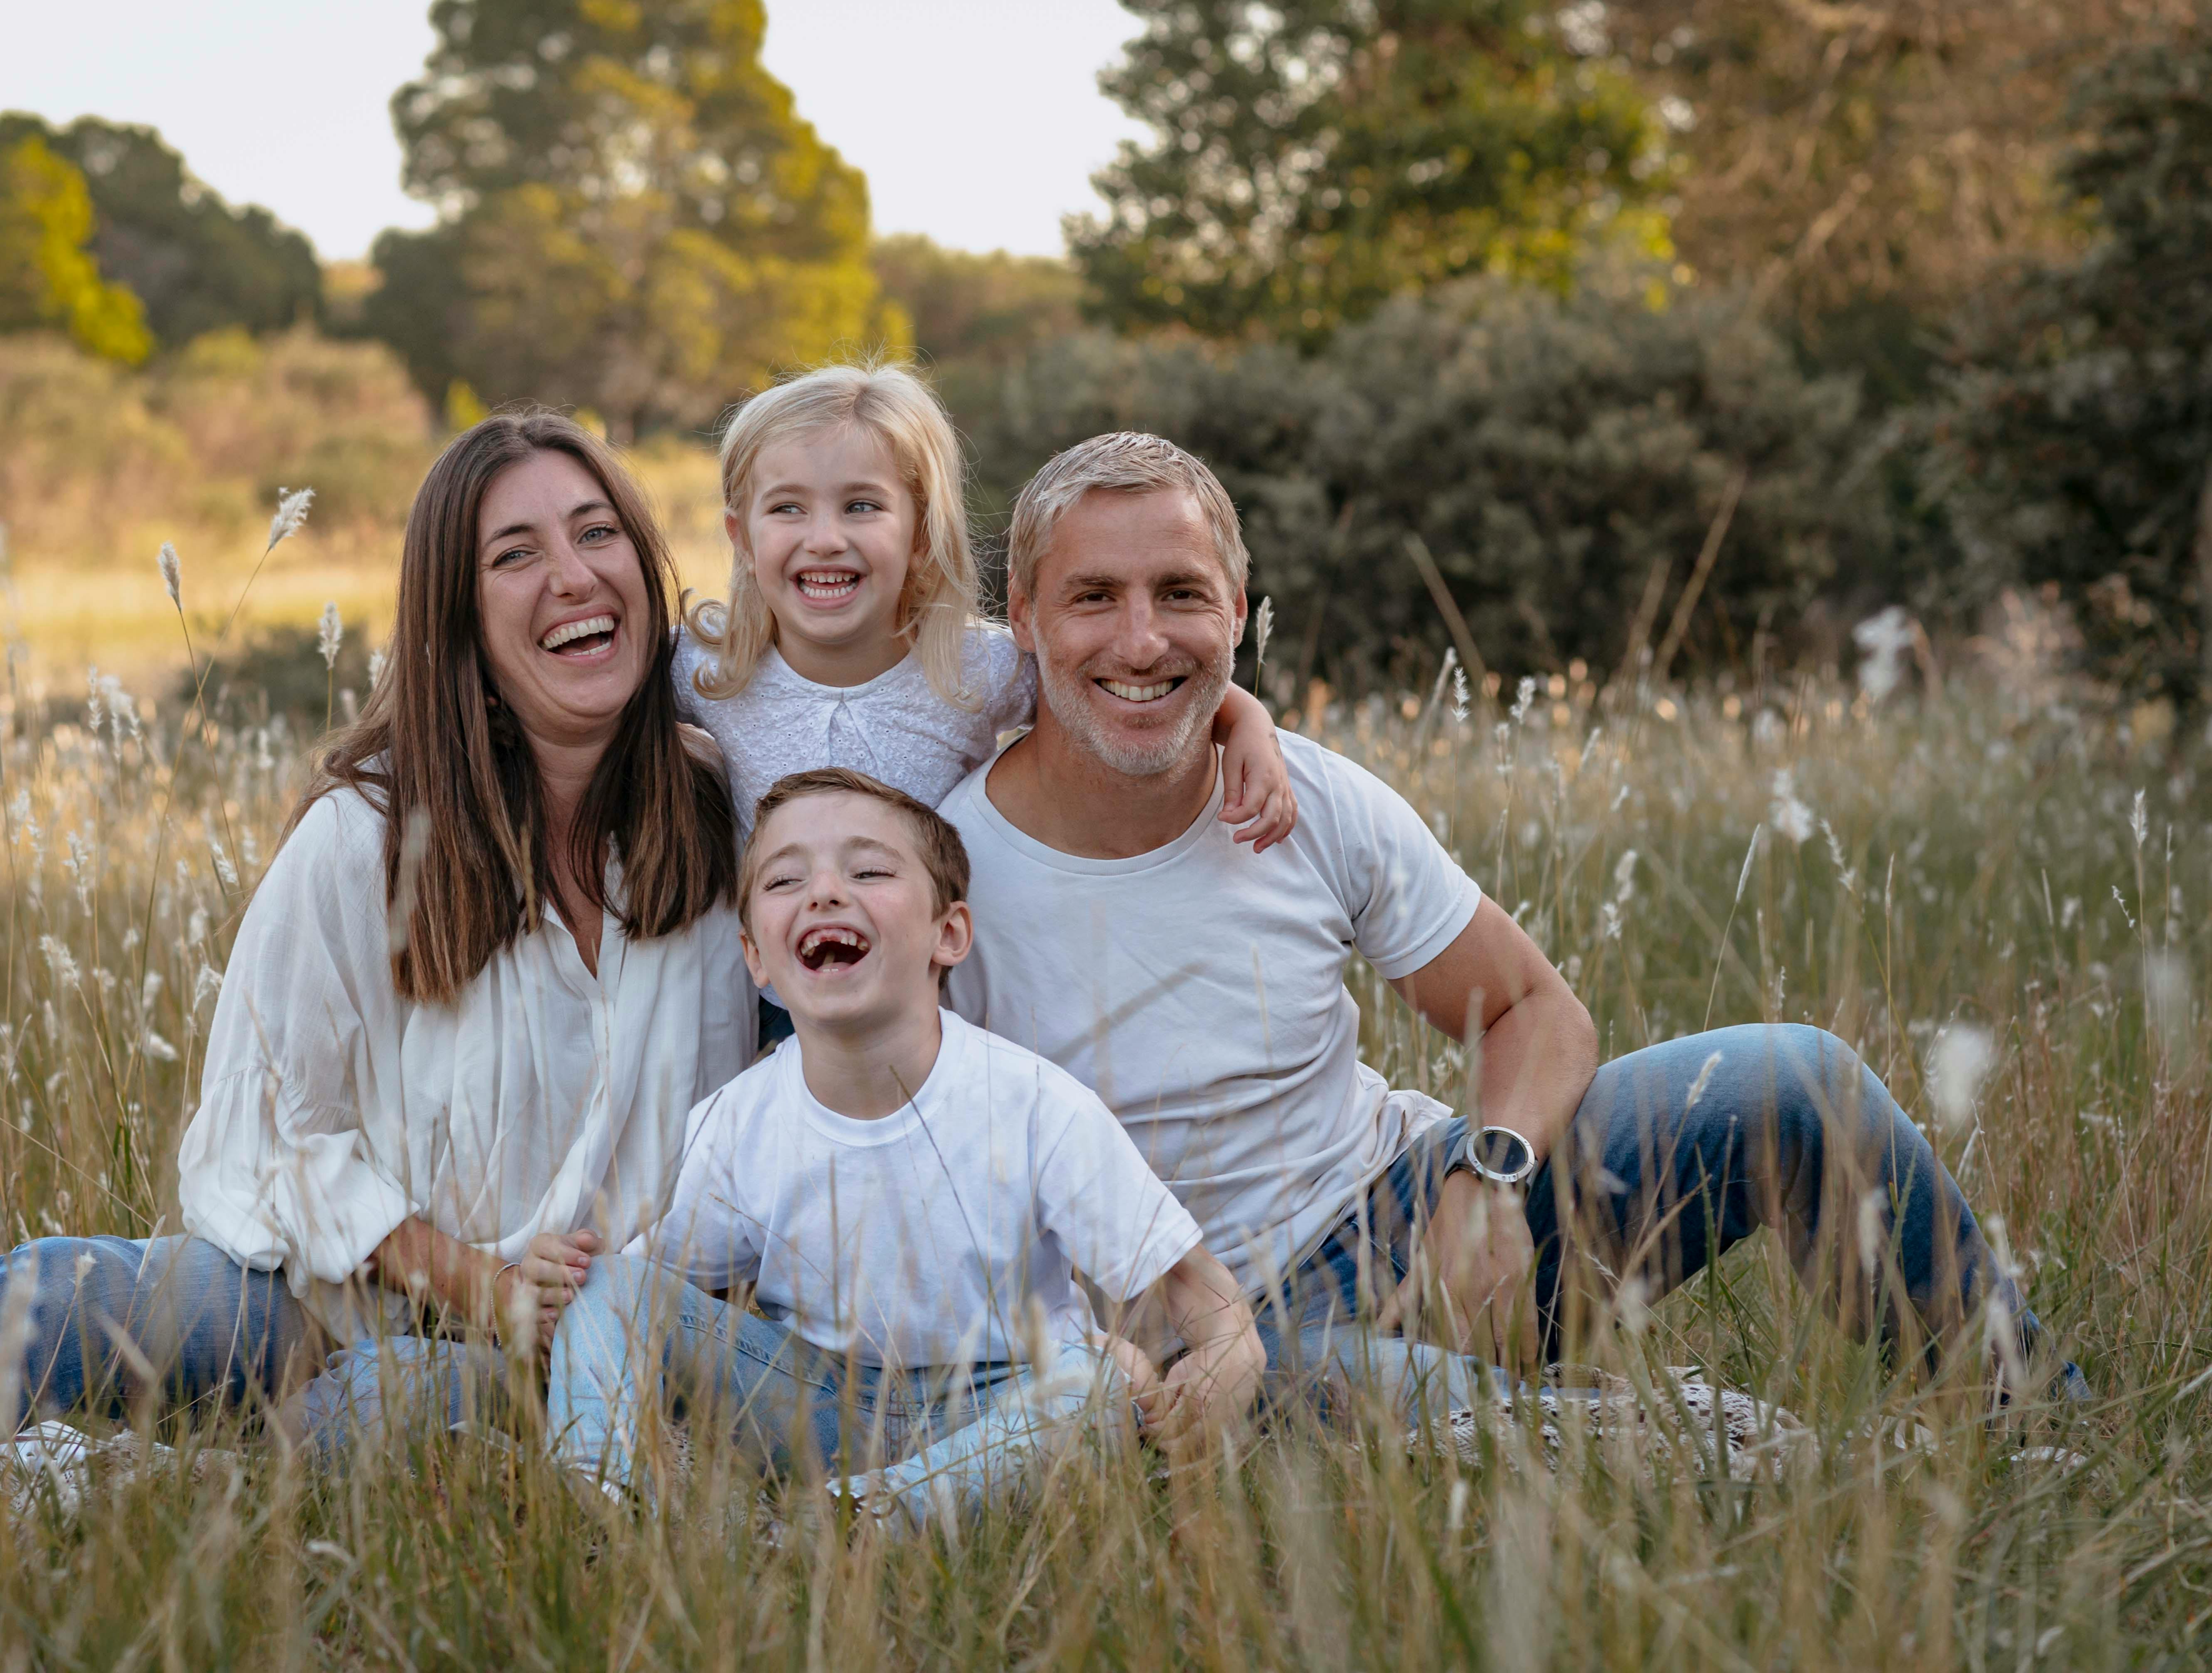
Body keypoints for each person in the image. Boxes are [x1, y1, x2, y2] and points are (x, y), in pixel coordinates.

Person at [0, 411, 756, 1509]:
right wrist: (478, 1284)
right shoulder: (369, 836)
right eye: (516, 555)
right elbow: (272, 1131)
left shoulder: (726, 820)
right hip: (340, 1302)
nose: (574, 576)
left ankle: (80, 1502)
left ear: (646, 564)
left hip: (609, 1347)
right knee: (63, 1291)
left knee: (401, 1410)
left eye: (598, 535)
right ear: (462, 624)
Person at [939, 430, 2081, 1407]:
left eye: (1181, 594)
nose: (1143, 642)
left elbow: (1535, 1010)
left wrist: (1485, 1184)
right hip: (1182, 1333)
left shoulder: (1317, 800)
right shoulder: (945, 872)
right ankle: (1565, 1427)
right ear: (1025, 619)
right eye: (1096, 597)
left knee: (1794, 1079)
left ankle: (2035, 1424)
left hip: (1406, 1218)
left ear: (1236, 611)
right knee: (1402, 1410)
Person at [544, 769, 1267, 1527]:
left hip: (1001, 1401)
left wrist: (1229, 1346)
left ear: (947, 934)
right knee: (607, 1286)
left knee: (1094, 1392)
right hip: (819, 1407)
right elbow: (655, 1299)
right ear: (757, 958)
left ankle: (861, 1521)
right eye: (787, 878)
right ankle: (599, 1501)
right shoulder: (738, 1119)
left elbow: (1194, 1288)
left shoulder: (1033, 1105)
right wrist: (570, 1294)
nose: (824, 892)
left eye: (869, 871)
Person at [670, 362, 1297, 1046]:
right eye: (787, 508)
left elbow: (1118, 684)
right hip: (772, 991)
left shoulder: (973, 670)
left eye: (861, 506)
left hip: (940, 993)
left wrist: (1246, 721)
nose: (824, 537)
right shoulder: (709, 667)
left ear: (919, 535)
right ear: (741, 535)